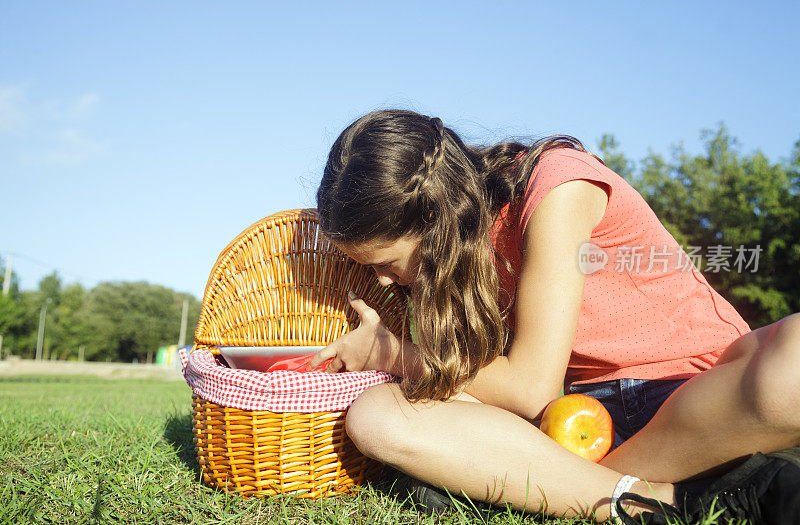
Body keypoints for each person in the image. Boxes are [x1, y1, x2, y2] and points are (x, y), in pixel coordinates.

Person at [308, 109, 800, 523]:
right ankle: (667, 500)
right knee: (377, 417)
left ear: (437, 222)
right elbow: (523, 398)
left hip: (694, 397)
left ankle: (572, 489)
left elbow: (528, 388)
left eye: (387, 263)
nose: (385, 283)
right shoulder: (456, 268)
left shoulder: (559, 186)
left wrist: (391, 353)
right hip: (581, 424)